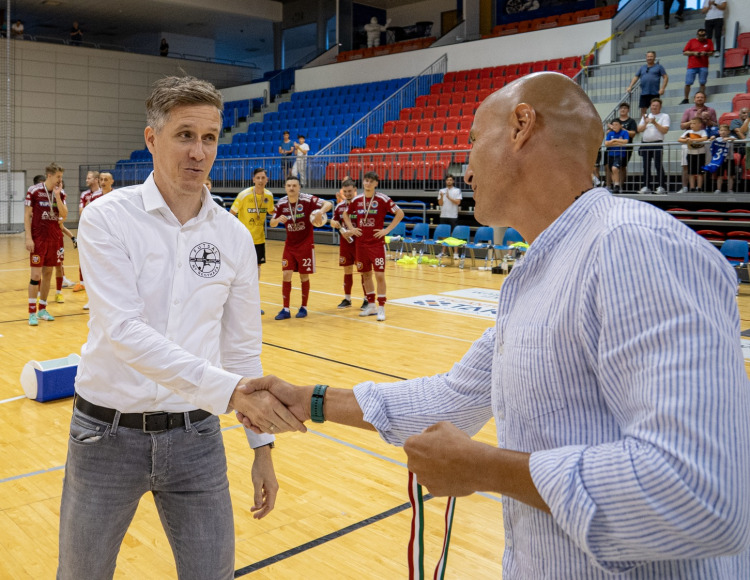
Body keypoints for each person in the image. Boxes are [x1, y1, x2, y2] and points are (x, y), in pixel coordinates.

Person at [239, 71, 750, 579]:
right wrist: (310, 399)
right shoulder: (542, 269)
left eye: (473, 141)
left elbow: (699, 493)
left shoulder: (631, 246)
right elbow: (452, 397)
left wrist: (484, 468)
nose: (464, 166)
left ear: (521, 125)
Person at [57, 75, 306, 580]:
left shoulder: (233, 237)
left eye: (209, 138)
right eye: (184, 135)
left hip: (197, 439)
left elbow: (241, 348)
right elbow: (124, 331)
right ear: (152, 139)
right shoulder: (108, 219)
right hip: (105, 438)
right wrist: (233, 392)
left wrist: (262, 449)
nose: (199, 152)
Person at [342, 171, 404, 322]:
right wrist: (351, 229)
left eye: (371, 181)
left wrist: (386, 230)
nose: (368, 183)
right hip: (361, 243)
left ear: (376, 183)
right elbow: (345, 215)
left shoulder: (383, 199)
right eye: (366, 181)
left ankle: (381, 306)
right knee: (365, 274)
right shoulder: (356, 200)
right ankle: (371, 305)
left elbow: (400, 213)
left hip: (376, 243)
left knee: (379, 275)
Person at [269, 175, 332, 320]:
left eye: (294, 186)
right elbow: (272, 223)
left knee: (304, 276)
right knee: (286, 274)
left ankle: (304, 307)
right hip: (290, 245)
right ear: (285, 187)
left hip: (305, 244)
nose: (291, 188)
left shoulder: (307, 199)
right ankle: (285, 309)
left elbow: (328, 203)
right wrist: (277, 220)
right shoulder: (282, 202)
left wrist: (320, 213)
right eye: (289, 185)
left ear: (299, 188)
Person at [24, 163, 67, 326]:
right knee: (35, 276)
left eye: (61, 177)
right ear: (49, 175)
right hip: (38, 238)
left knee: (48, 272)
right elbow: (27, 215)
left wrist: (57, 196)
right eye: (58, 177)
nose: (60, 180)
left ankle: (42, 308)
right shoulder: (34, 190)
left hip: (54, 238)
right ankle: (31, 312)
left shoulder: (60, 193)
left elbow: (64, 215)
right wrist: (28, 238)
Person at [230, 167, 275, 314]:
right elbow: (231, 214)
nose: (261, 181)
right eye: (258, 178)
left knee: (256, 272)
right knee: (241, 272)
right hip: (244, 240)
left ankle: (253, 304)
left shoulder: (268, 196)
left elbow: (272, 212)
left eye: (263, 178)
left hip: (259, 239)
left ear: (267, 180)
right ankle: (236, 302)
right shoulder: (244, 195)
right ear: (253, 179)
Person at [330, 178, 364, 309]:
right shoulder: (340, 206)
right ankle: (347, 299)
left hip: (360, 243)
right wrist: (333, 223)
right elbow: (334, 221)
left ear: (355, 190)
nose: (348, 193)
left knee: (363, 271)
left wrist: (354, 231)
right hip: (346, 243)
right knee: (347, 270)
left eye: (350, 191)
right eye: (345, 191)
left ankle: (367, 299)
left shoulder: (361, 205)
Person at [679, 92, 717, 191]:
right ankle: (685, 187)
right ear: (694, 99)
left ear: (705, 99)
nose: (699, 99)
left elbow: (715, 126)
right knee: (686, 166)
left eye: (701, 97)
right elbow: (682, 126)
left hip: (704, 142)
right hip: (689, 141)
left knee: (704, 166)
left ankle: (702, 187)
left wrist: (706, 119)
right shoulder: (688, 110)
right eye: (697, 97)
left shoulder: (710, 110)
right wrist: (693, 120)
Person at [637, 98, 670, 194]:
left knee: (658, 165)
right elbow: (639, 129)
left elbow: (665, 130)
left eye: (656, 105)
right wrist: (646, 122)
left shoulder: (664, 116)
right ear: (650, 106)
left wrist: (655, 123)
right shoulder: (646, 116)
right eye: (653, 105)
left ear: (660, 107)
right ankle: (646, 186)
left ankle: (661, 186)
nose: (654, 107)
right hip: (646, 143)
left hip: (657, 143)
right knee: (646, 166)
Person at [626, 51, 669, 119]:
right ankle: (644, 124)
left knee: (655, 109)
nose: (649, 58)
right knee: (643, 110)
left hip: (654, 92)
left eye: (651, 56)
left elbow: (665, 77)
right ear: (646, 58)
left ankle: (655, 122)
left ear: (654, 57)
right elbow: (636, 77)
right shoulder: (642, 67)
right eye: (648, 56)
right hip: (644, 92)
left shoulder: (659, 67)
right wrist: (630, 86)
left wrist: (662, 88)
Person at [605, 103, 637, 191]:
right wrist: (614, 138)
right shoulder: (615, 121)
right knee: (610, 167)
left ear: (628, 110)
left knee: (621, 166)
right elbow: (608, 135)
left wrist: (621, 129)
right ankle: (611, 185)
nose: (623, 110)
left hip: (625, 149)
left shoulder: (631, 121)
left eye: (625, 108)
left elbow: (633, 134)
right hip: (612, 149)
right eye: (621, 108)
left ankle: (620, 185)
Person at [681, 29, 714, 105]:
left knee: (702, 82)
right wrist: (694, 53)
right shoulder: (691, 41)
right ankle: (686, 98)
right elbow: (685, 52)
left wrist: (705, 53)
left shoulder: (709, 41)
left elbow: (711, 53)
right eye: (700, 35)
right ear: (697, 35)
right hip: (692, 65)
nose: (701, 37)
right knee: (688, 83)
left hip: (703, 65)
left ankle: (701, 98)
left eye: (703, 35)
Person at [678, 117, 708, 191]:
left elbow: (705, 138)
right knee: (691, 171)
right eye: (691, 123)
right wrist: (686, 140)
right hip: (690, 153)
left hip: (700, 153)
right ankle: (692, 187)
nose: (692, 125)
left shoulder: (702, 132)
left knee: (699, 172)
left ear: (700, 124)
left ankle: (699, 187)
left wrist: (693, 140)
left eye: (694, 123)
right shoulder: (688, 132)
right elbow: (679, 139)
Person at [704, 124, 736, 193]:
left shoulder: (731, 137)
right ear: (719, 132)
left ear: (728, 132)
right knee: (719, 175)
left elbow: (735, 139)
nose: (723, 132)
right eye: (721, 130)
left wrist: (728, 138)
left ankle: (730, 189)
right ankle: (718, 189)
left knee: (730, 175)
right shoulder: (718, 139)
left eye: (725, 130)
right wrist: (711, 138)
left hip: (729, 159)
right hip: (720, 160)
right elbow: (709, 142)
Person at [604, 118, 630, 193]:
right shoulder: (610, 133)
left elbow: (625, 141)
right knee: (612, 170)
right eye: (613, 125)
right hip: (611, 154)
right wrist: (616, 142)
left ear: (620, 126)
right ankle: (615, 186)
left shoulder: (624, 132)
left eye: (616, 125)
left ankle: (617, 185)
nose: (615, 126)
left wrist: (613, 141)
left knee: (615, 168)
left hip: (620, 154)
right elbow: (606, 144)